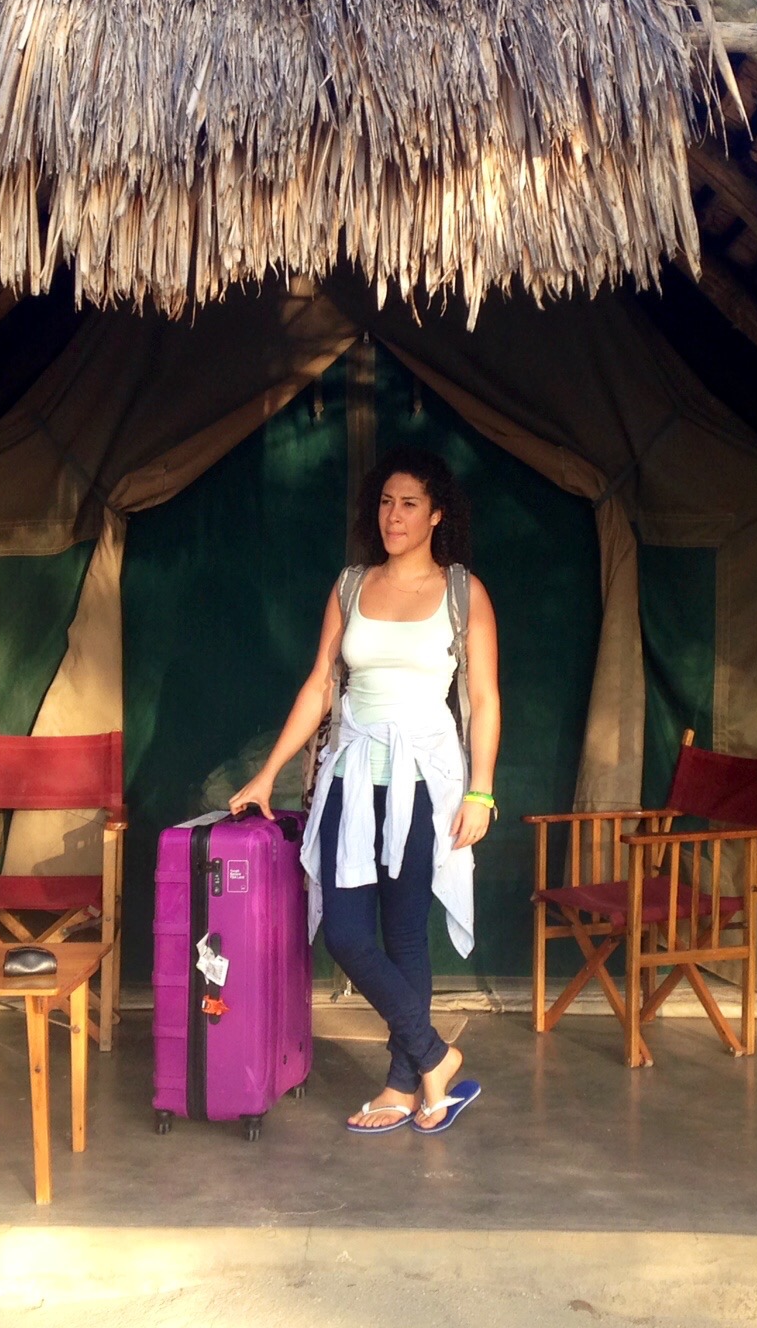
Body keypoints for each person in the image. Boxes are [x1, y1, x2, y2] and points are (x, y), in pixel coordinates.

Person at [229, 448, 500, 1133]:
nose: (394, 515)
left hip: (424, 781)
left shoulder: (464, 593)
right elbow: (322, 685)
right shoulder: (351, 585)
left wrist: (482, 792)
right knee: (347, 933)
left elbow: (485, 698)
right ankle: (438, 1057)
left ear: (438, 514)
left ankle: (405, 1085)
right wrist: (267, 773)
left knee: (407, 933)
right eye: (384, 502)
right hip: (352, 778)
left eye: (409, 503)